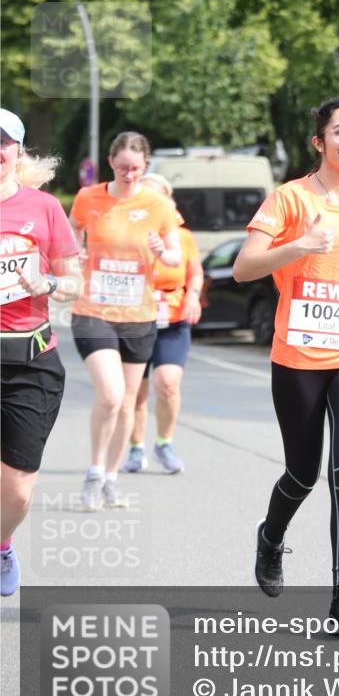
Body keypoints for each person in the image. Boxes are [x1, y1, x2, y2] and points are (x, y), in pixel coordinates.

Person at [233, 96, 339, 630]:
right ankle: (271, 537)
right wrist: (300, 245)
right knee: (303, 472)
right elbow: (243, 270)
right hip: (298, 355)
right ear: (319, 141)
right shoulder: (288, 199)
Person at [69, 132, 181, 511]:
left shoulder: (159, 205)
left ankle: (112, 477)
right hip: (93, 311)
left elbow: (175, 261)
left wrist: (161, 250)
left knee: (129, 401)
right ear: (111, 163)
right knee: (112, 395)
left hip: (139, 315)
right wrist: (73, 258)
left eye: (135, 168)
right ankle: (94, 471)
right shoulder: (89, 198)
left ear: (146, 165)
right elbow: (70, 237)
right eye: (121, 168)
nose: (129, 174)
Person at [0, 109, 82, 596]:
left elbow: (74, 282)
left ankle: (2, 542)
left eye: (2, 142)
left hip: (29, 360)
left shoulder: (44, 208)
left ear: (17, 151)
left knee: (18, 487)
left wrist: (46, 281)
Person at [122, 173, 203, 475]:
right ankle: (135, 447)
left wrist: (193, 296)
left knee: (167, 383)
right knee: (136, 393)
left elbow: (194, 272)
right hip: (134, 320)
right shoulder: (127, 234)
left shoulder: (183, 237)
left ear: (168, 203)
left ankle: (164, 442)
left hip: (172, 319)